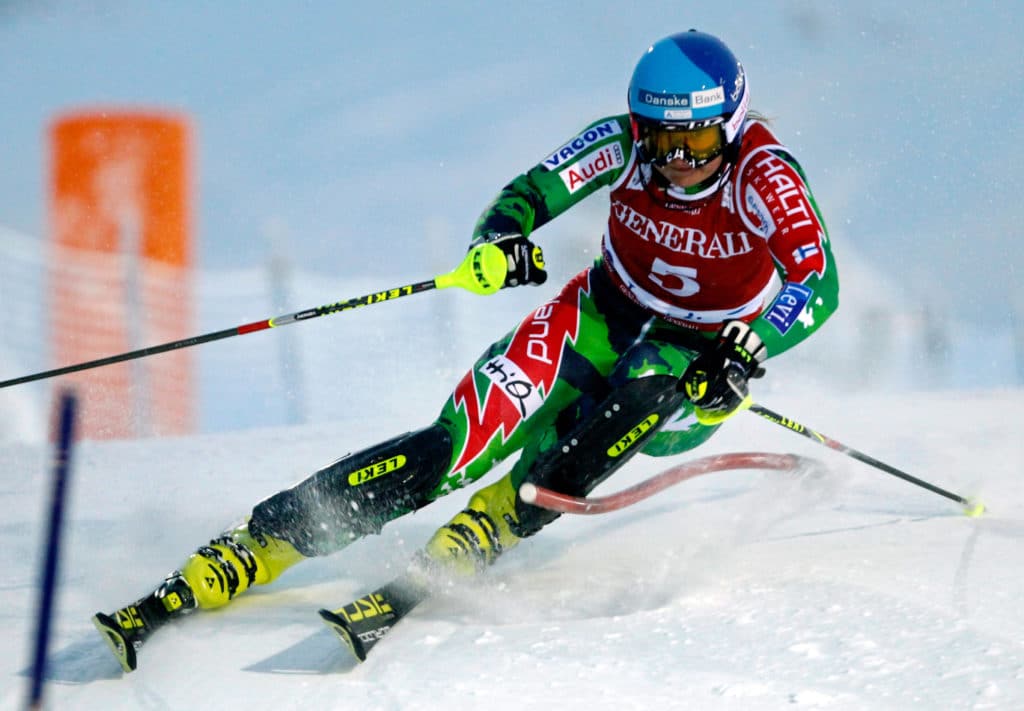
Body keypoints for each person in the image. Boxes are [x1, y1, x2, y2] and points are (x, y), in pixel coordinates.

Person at [96, 29, 839, 665]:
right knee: (453, 444)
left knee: (642, 394)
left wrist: (744, 349)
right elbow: (531, 191)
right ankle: (260, 543)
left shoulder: (761, 174)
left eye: (697, 139)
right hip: (599, 311)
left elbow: (818, 281)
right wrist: (499, 241)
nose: (676, 157)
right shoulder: (622, 143)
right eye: (661, 136)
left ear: (730, 125)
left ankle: (496, 520)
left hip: (695, 356)